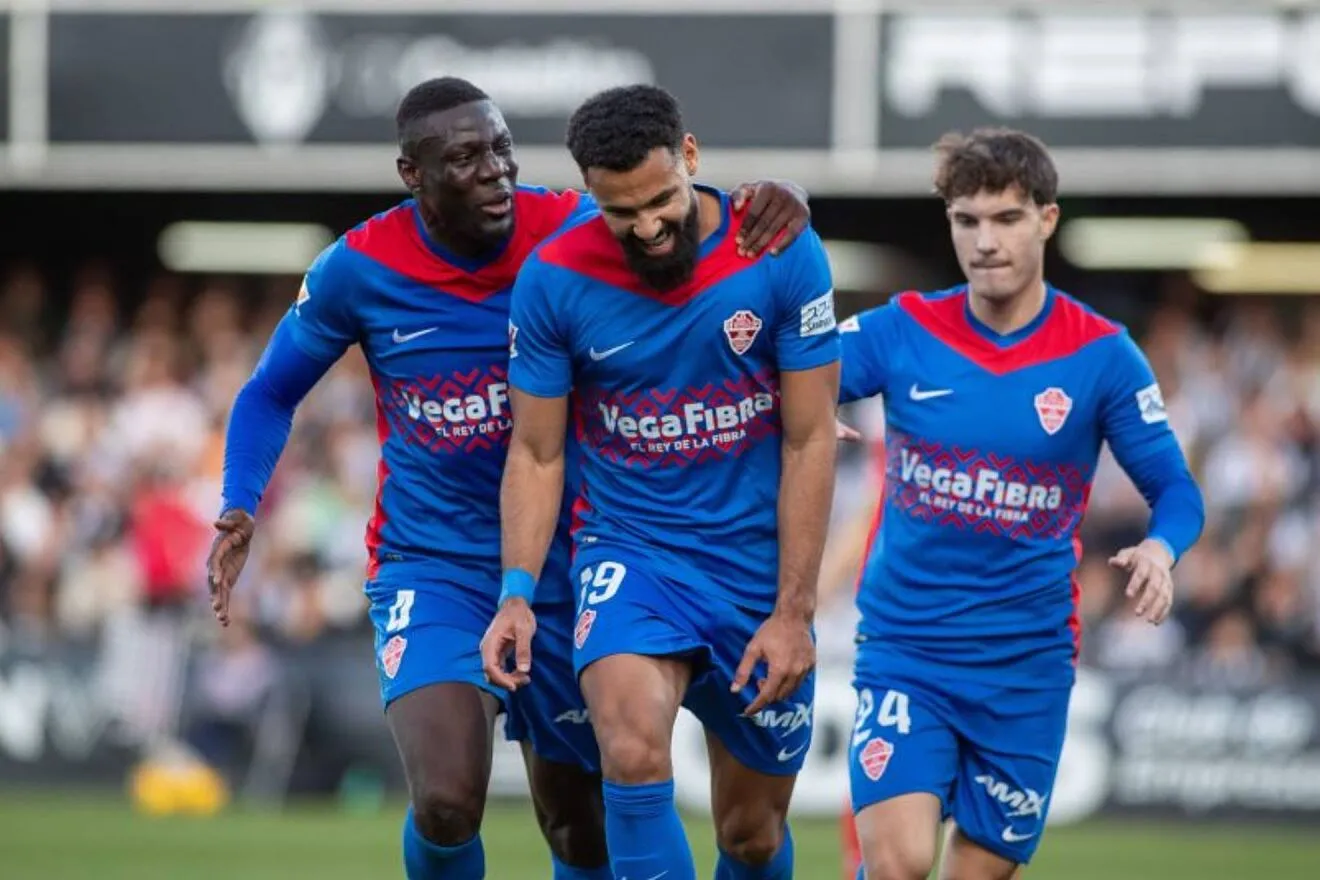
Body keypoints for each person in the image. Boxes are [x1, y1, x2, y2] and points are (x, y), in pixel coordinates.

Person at [205, 76, 813, 880]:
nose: (493, 171)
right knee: (448, 798)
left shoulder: (571, 228)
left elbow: (677, 229)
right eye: (463, 158)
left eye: (500, 149)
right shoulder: (358, 269)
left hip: (567, 558)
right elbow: (269, 391)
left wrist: (781, 198)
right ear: (410, 173)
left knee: (578, 826)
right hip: (437, 563)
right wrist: (240, 503)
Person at [483, 84, 840, 880]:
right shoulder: (554, 281)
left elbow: (812, 437)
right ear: (589, 195)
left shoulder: (777, 250)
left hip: (754, 574)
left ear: (690, 157)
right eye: (620, 213)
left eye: (660, 202)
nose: (646, 226)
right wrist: (516, 591)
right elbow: (537, 454)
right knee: (632, 750)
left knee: (750, 835)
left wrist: (795, 612)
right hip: (633, 555)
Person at [836, 128, 1206, 880]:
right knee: (899, 862)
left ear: (1047, 219)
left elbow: (1175, 490)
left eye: (1005, 219)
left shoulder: (1101, 355)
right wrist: (798, 410)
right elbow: (773, 371)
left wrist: (1161, 549)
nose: (985, 241)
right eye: (966, 220)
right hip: (910, 652)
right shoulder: (900, 330)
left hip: (1026, 666)